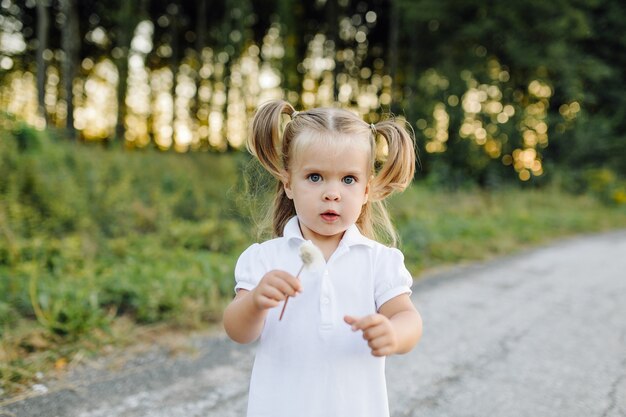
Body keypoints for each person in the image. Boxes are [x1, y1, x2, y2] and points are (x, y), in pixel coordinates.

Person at [223, 99, 423, 417]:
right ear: (288, 182)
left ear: (367, 190)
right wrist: (255, 302)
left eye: (348, 179)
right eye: (315, 177)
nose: (332, 193)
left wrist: (394, 334)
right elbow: (237, 331)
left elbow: (408, 318)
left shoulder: (379, 261)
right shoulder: (264, 258)